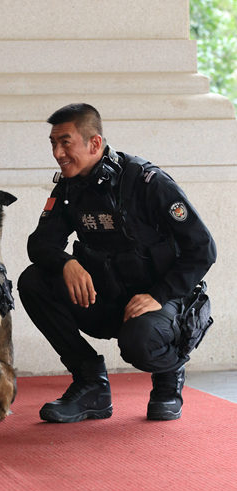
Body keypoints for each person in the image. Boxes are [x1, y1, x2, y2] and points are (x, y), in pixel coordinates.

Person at [18, 103, 217, 423]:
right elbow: (39, 243)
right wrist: (66, 263)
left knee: (140, 340)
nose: (57, 152)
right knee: (34, 281)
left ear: (94, 143)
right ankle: (90, 384)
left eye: (65, 142)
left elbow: (202, 249)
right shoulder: (69, 188)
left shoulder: (146, 182)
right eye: (53, 143)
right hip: (106, 300)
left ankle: (169, 375)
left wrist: (159, 295)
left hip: (158, 304)